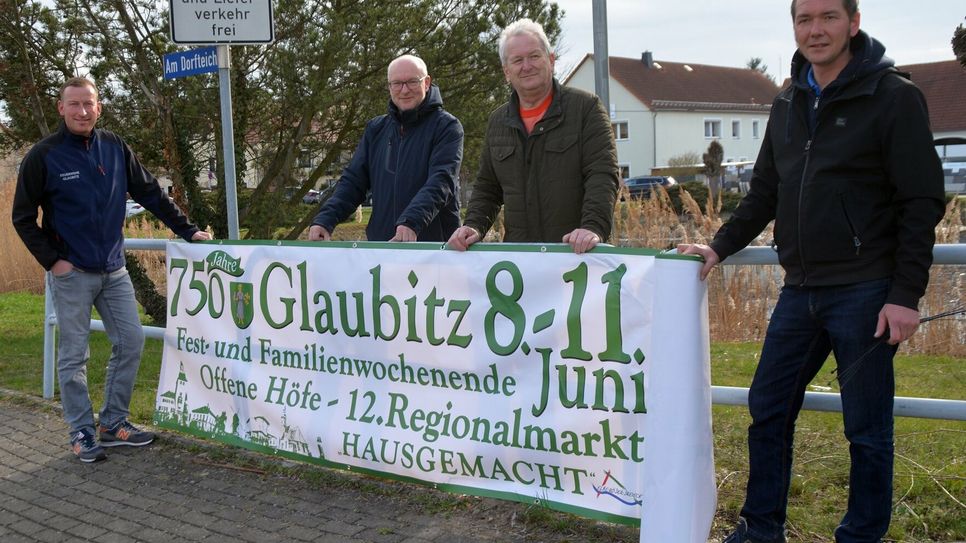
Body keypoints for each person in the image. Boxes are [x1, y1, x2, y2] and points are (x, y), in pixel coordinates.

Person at [678, 1, 946, 541]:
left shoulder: (893, 97)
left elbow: (922, 203)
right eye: (805, 19)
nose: (815, 30)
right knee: (767, 409)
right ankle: (760, 529)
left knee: (867, 429)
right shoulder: (787, 102)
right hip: (800, 290)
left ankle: (860, 535)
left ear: (854, 22)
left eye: (828, 17)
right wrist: (718, 246)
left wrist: (905, 295)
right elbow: (764, 195)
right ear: (794, 27)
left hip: (867, 290)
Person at [12, 77, 212, 463]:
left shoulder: (114, 146)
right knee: (74, 356)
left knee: (132, 341)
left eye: (89, 104)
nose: (82, 111)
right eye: (74, 104)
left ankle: (114, 423)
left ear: (99, 107)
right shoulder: (44, 155)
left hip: (114, 269)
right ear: (61, 108)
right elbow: (22, 217)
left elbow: (150, 192)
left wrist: (188, 231)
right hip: (71, 273)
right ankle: (82, 431)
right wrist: (54, 261)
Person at [446, 18, 619, 255]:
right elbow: (488, 186)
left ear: (551, 60)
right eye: (517, 60)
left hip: (577, 254)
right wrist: (473, 225)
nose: (526, 66)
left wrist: (592, 228)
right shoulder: (498, 121)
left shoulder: (585, 108)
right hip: (521, 259)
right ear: (507, 72)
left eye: (534, 56)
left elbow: (602, 174)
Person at [309, 54, 463, 242]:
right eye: (397, 83)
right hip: (382, 249)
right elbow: (353, 182)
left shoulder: (447, 127)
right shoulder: (376, 129)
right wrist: (325, 219)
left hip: (433, 250)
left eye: (412, 82)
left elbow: (441, 181)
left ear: (427, 82)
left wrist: (411, 222)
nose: (404, 90)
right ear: (389, 87)